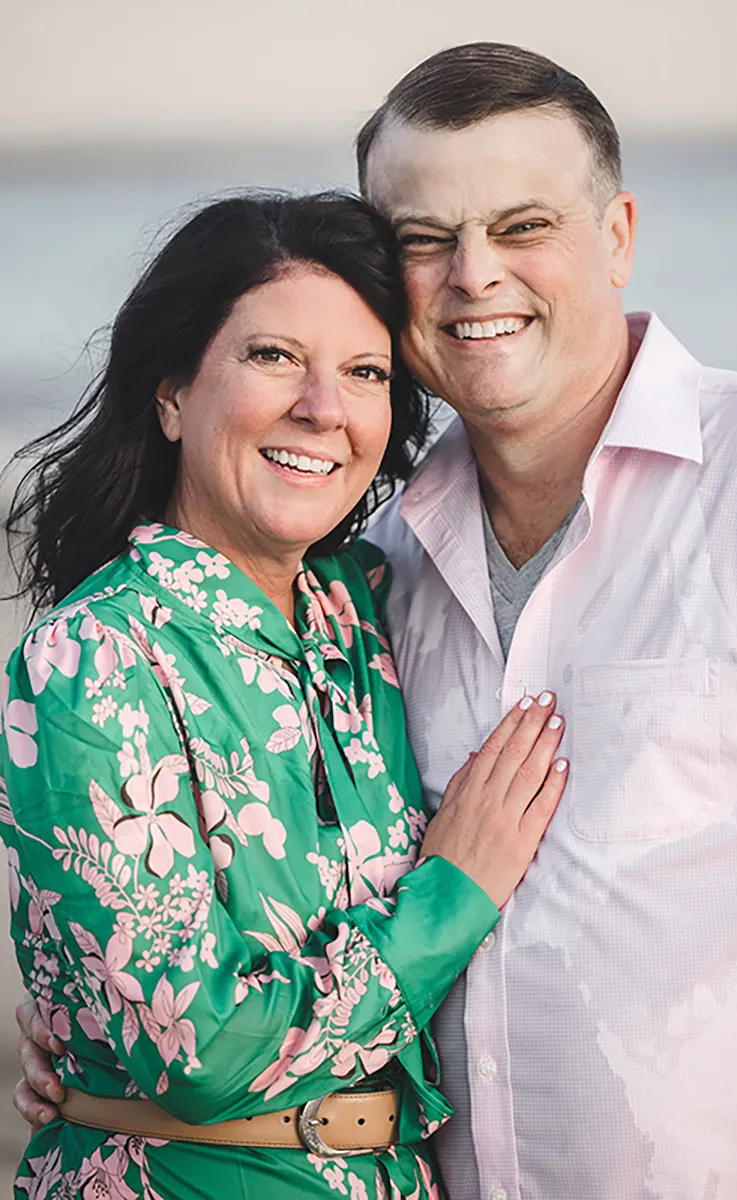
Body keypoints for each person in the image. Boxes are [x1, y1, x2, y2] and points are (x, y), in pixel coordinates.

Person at [18, 39, 737, 1200]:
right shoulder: (377, 573)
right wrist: (101, 1032)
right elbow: (207, 989)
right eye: (425, 242)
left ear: (619, 235)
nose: (475, 274)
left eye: (522, 224)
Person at [0, 190, 570, 1200]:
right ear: (171, 393)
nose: (323, 408)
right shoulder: (92, 657)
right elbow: (201, 1049)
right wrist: (455, 892)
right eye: (272, 358)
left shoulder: (373, 611)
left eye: (364, 373)